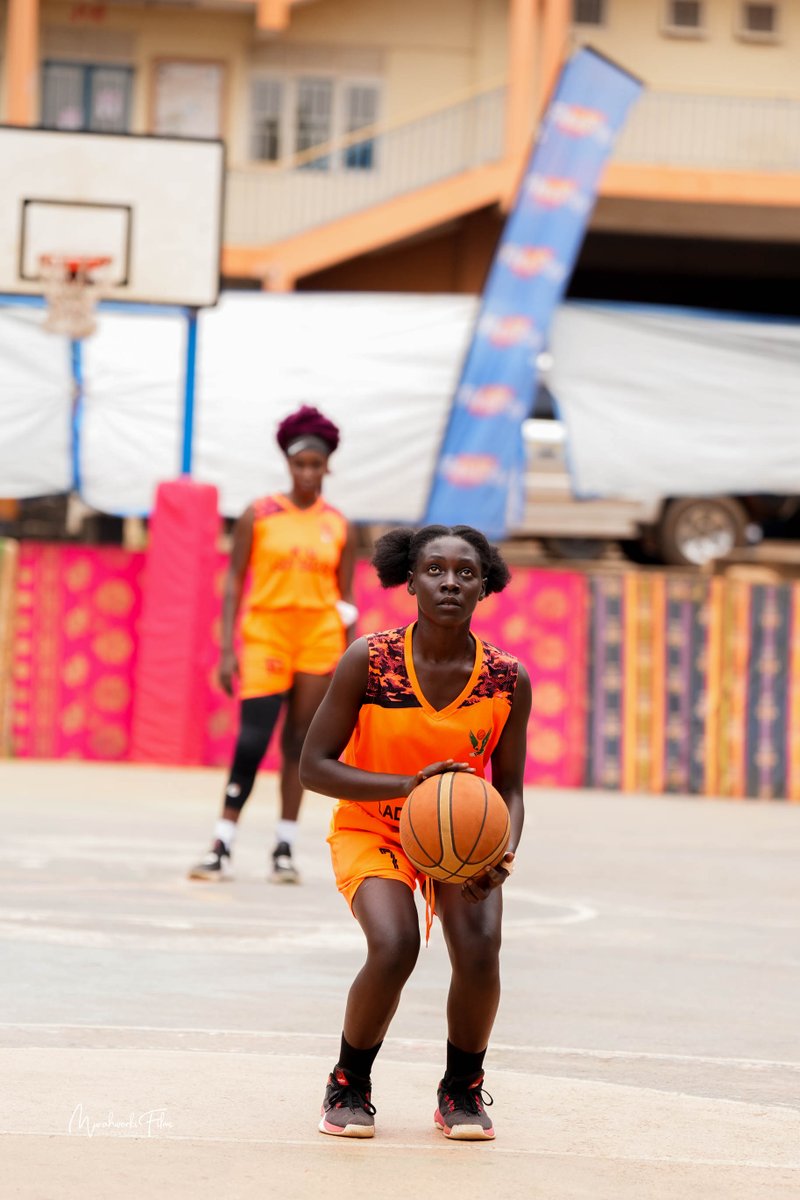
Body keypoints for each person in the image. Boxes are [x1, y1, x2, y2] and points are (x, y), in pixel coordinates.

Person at [299, 524, 531, 1141]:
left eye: (465, 572)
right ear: (410, 580)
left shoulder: (507, 678)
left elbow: (510, 786)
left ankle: (461, 1090)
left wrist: (502, 851)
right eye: (434, 569)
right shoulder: (370, 660)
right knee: (395, 944)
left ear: (485, 586)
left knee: (481, 950)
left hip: (462, 836)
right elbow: (314, 766)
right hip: (372, 823)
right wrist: (409, 787)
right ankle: (349, 1083)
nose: (450, 582)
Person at [189, 404, 357, 884]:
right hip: (267, 634)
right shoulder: (259, 514)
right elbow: (233, 582)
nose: (307, 472)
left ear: (327, 467)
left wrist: (350, 658)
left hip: (319, 638)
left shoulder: (340, 525)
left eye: (315, 464)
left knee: (301, 742)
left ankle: (284, 845)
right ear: (288, 464)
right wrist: (227, 648)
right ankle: (222, 841)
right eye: (299, 463)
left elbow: (346, 598)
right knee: (252, 739)